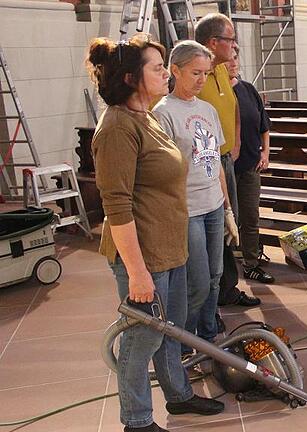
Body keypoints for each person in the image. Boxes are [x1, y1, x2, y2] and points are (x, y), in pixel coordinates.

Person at [87, 34, 224, 432]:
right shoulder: (116, 128)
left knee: (171, 329)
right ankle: (137, 420)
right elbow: (116, 207)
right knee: (141, 339)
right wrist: (137, 272)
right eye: (157, 67)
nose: (166, 73)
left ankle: (179, 396)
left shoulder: (145, 117)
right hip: (143, 255)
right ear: (131, 77)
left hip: (169, 245)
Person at [153, 41, 239, 354]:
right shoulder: (163, 113)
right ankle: (184, 343)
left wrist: (228, 208)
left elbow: (215, 162)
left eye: (206, 73)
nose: (202, 79)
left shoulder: (208, 110)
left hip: (214, 204)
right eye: (195, 72)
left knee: (216, 276)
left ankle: (208, 336)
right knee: (197, 283)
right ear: (175, 70)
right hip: (187, 209)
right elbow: (161, 172)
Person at [194, 13, 264, 306]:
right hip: (207, 163)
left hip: (225, 158)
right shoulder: (196, 74)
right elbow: (196, 118)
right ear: (213, 42)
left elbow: (233, 107)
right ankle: (215, 293)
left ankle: (227, 288)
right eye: (230, 39)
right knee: (218, 225)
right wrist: (216, 156)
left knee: (229, 222)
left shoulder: (221, 70)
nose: (235, 46)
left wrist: (232, 145)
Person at [225, 47, 276, 283]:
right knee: (226, 218)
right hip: (224, 168)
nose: (233, 63)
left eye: (235, 58)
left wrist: (265, 152)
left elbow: (264, 125)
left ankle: (251, 263)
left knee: (250, 216)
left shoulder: (248, 90)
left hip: (249, 165)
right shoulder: (217, 93)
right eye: (228, 59)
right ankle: (225, 272)